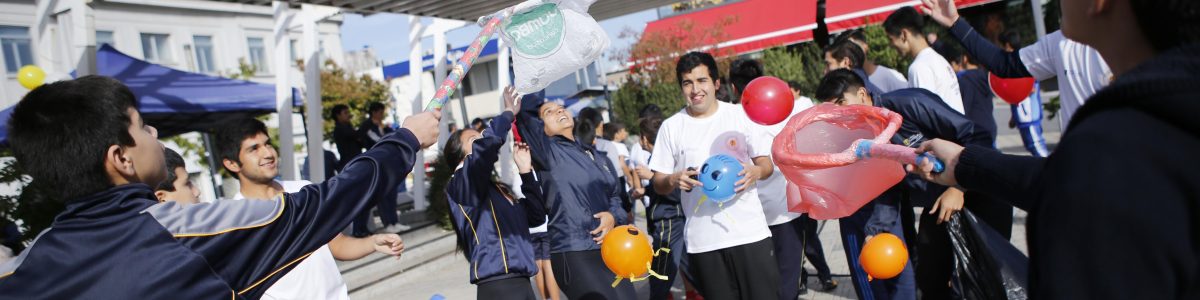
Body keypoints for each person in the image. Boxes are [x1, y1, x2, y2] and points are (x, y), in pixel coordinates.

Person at [0, 75, 438, 298]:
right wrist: (406, 139)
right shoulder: (193, 233)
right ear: (120, 158)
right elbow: (330, 201)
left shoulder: (21, 272)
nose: (154, 132)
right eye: (141, 127)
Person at [909, 0, 1200, 298]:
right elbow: (1061, 177)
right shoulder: (1130, 138)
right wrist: (963, 164)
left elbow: (1073, 183)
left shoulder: (1112, 148)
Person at [213, 117, 406, 300]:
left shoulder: (303, 191)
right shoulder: (234, 222)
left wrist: (372, 243)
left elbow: (337, 245)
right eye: (254, 149)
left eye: (268, 143)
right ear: (231, 163)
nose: (268, 153)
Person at [649, 52, 780, 299]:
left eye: (702, 81)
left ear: (716, 83)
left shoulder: (740, 115)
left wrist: (756, 171)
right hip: (704, 242)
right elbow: (658, 182)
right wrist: (673, 179)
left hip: (750, 234)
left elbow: (766, 164)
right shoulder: (671, 127)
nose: (695, 89)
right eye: (687, 83)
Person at [515, 90, 634, 299]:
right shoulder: (546, 151)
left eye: (560, 107)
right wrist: (539, 72)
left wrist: (613, 216)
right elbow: (525, 112)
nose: (559, 110)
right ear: (540, 128)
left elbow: (615, 197)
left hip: (611, 248)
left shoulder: (595, 154)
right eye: (548, 112)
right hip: (574, 251)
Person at [922, 0, 1112, 129]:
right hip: (1078, 171)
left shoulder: (1136, 47)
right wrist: (955, 23)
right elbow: (1003, 64)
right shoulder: (1060, 43)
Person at [730, 58, 829, 299]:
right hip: (785, 211)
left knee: (759, 283)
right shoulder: (785, 111)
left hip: (745, 216)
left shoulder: (728, 119)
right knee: (788, 280)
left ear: (733, 87)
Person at [442, 87, 547, 299]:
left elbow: (536, 217)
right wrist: (508, 113)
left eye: (481, 136)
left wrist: (526, 173)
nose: (481, 139)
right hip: (499, 286)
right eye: (474, 140)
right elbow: (485, 149)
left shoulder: (497, 189)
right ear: (459, 154)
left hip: (523, 282)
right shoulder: (460, 184)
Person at [883, 6, 967, 115]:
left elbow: (925, 116)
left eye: (891, 40)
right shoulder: (937, 58)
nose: (891, 45)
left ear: (904, 35)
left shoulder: (919, 67)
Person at [354, 102, 408, 236]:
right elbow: (378, 140)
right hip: (377, 162)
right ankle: (388, 223)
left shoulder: (383, 125)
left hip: (388, 161)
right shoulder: (367, 126)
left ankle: (394, 222)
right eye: (380, 112)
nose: (381, 114)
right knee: (384, 195)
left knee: (392, 193)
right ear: (374, 112)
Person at [934, 43, 999, 145]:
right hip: (990, 127)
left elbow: (963, 109)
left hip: (975, 131)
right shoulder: (986, 76)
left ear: (965, 59)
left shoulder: (964, 80)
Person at [837, 29, 910, 93]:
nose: (849, 52)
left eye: (852, 46)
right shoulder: (847, 82)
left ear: (865, 46)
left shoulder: (890, 76)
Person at [332, 104, 364, 172]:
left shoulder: (348, 127)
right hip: (351, 164)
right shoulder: (340, 129)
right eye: (345, 113)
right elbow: (357, 135)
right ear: (338, 115)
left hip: (355, 162)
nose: (348, 115)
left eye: (348, 112)